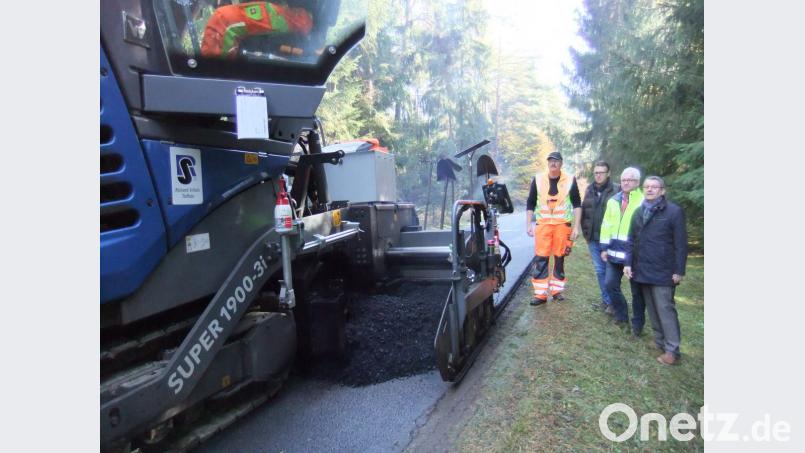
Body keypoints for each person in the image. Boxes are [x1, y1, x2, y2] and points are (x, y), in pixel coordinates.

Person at [624, 176, 688, 365]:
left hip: (664, 271)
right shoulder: (638, 212)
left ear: (662, 190)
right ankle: (660, 341)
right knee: (651, 308)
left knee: (665, 309)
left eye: (654, 187)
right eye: (647, 187)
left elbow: (681, 244)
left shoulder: (674, 212)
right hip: (642, 269)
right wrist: (628, 264)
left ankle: (672, 350)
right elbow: (631, 240)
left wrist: (679, 270)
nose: (650, 189)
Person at [526, 151, 582, 305]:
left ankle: (557, 291)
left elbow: (577, 204)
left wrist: (576, 227)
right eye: (550, 160)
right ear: (547, 163)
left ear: (561, 163)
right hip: (543, 226)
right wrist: (528, 224)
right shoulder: (537, 179)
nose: (553, 163)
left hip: (562, 226)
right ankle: (541, 295)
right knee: (541, 258)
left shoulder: (570, 180)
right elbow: (530, 203)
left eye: (556, 161)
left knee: (559, 258)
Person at [599, 167, 645, 334]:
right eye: (624, 179)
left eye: (630, 180)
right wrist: (604, 248)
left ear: (637, 182)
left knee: (637, 293)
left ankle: (637, 325)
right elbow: (606, 226)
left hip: (634, 256)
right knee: (610, 284)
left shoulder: (643, 201)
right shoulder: (613, 201)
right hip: (613, 254)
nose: (626, 182)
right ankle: (621, 314)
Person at [579, 161, 619, 313]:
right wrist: (586, 233)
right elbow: (585, 211)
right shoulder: (589, 189)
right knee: (600, 271)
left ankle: (614, 303)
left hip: (610, 240)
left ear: (608, 173)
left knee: (611, 272)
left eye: (602, 172)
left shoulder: (617, 189)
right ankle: (607, 301)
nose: (598, 175)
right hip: (593, 239)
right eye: (596, 172)